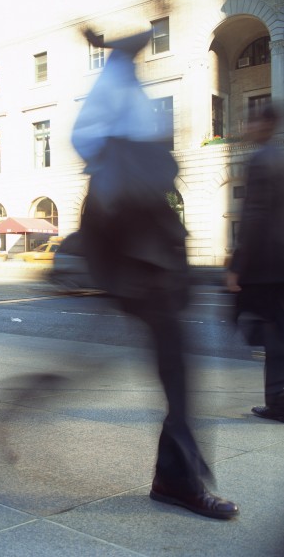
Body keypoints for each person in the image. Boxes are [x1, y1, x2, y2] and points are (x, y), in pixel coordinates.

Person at [72, 28, 239, 519]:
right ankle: (180, 481)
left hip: (151, 262)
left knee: (177, 375)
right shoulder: (115, 115)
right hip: (143, 266)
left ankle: (174, 478)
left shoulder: (122, 104)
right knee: (177, 374)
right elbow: (113, 186)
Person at [227, 104, 284, 422]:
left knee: (270, 334)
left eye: (250, 121)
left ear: (264, 125)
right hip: (279, 263)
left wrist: (236, 266)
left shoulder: (261, 159)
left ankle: (278, 402)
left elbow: (253, 215)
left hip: (264, 265)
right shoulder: (280, 157)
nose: (246, 126)